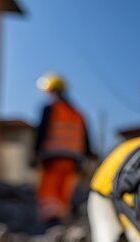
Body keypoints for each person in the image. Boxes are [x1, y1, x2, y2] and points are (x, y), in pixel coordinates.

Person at [33, 73, 92, 225]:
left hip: (53, 157)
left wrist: (35, 153)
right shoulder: (78, 114)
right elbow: (86, 140)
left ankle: (50, 221)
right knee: (64, 190)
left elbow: (42, 132)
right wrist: (88, 157)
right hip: (73, 160)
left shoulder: (51, 109)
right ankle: (61, 220)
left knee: (49, 190)